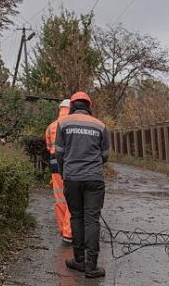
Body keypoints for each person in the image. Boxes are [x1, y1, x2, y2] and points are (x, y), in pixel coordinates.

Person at [55, 91, 110, 279]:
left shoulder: (63, 124)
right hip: (94, 178)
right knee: (92, 219)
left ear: (72, 106)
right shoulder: (100, 125)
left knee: (76, 217)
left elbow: (59, 153)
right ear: (89, 106)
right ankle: (91, 266)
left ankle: (78, 260)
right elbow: (105, 156)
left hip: (72, 178)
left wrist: (66, 172)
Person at [45, 99, 73, 244]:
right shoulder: (72, 125)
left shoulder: (50, 127)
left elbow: (49, 147)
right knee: (72, 199)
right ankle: (69, 233)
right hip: (70, 166)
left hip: (55, 166)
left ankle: (63, 230)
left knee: (60, 199)